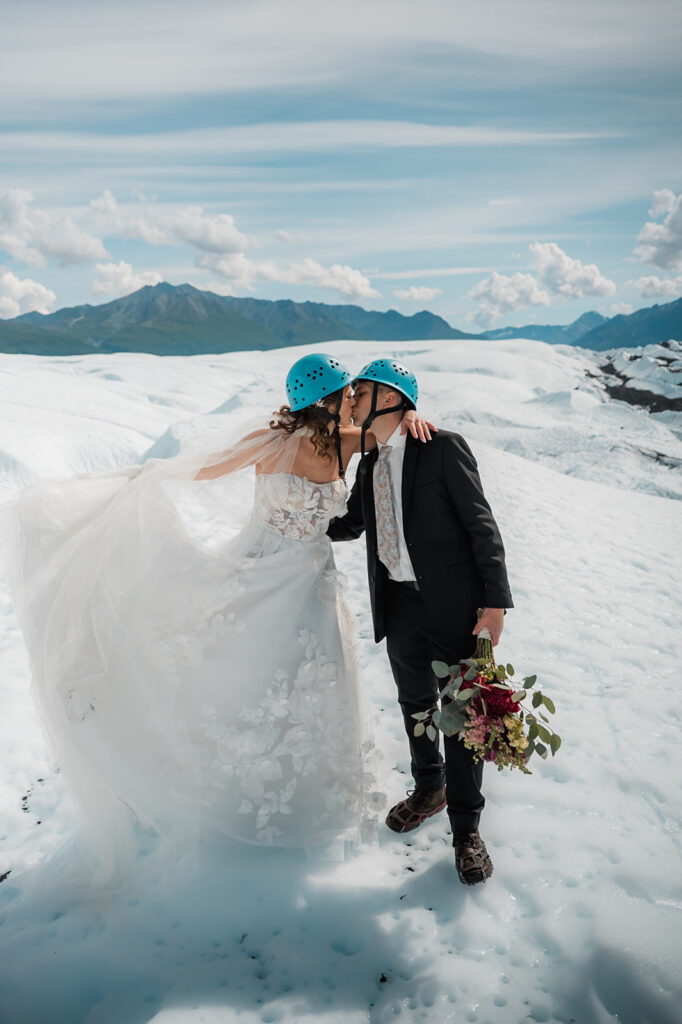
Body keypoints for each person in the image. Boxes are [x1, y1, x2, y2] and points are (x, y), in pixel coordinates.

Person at [0, 353, 433, 885]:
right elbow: (200, 470)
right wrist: (134, 485)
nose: (351, 398)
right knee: (239, 674)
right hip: (258, 571)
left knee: (312, 684)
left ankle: (312, 794)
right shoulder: (269, 441)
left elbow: (390, 437)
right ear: (323, 398)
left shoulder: (349, 441)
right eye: (345, 392)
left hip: (311, 584)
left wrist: (410, 417)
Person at [327, 359, 513, 885]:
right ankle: (429, 789)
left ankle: (466, 831)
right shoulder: (369, 464)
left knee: (462, 717)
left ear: (389, 399)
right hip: (400, 606)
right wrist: (294, 526)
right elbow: (351, 525)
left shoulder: (441, 447)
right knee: (416, 705)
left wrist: (494, 605)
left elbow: (483, 526)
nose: (351, 400)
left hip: (456, 608)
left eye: (359, 392)